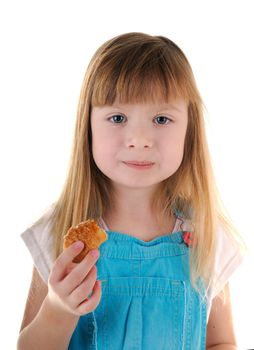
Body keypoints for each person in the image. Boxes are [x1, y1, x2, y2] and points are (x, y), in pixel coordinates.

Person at [17, 32, 245, 350]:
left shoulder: (206, 235)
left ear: (189, 130)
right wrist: (57, 309)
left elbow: (221, 342)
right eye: (118, 117)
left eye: (161, 118)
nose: (139, 138)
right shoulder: (60, 234)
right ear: (89, 126)